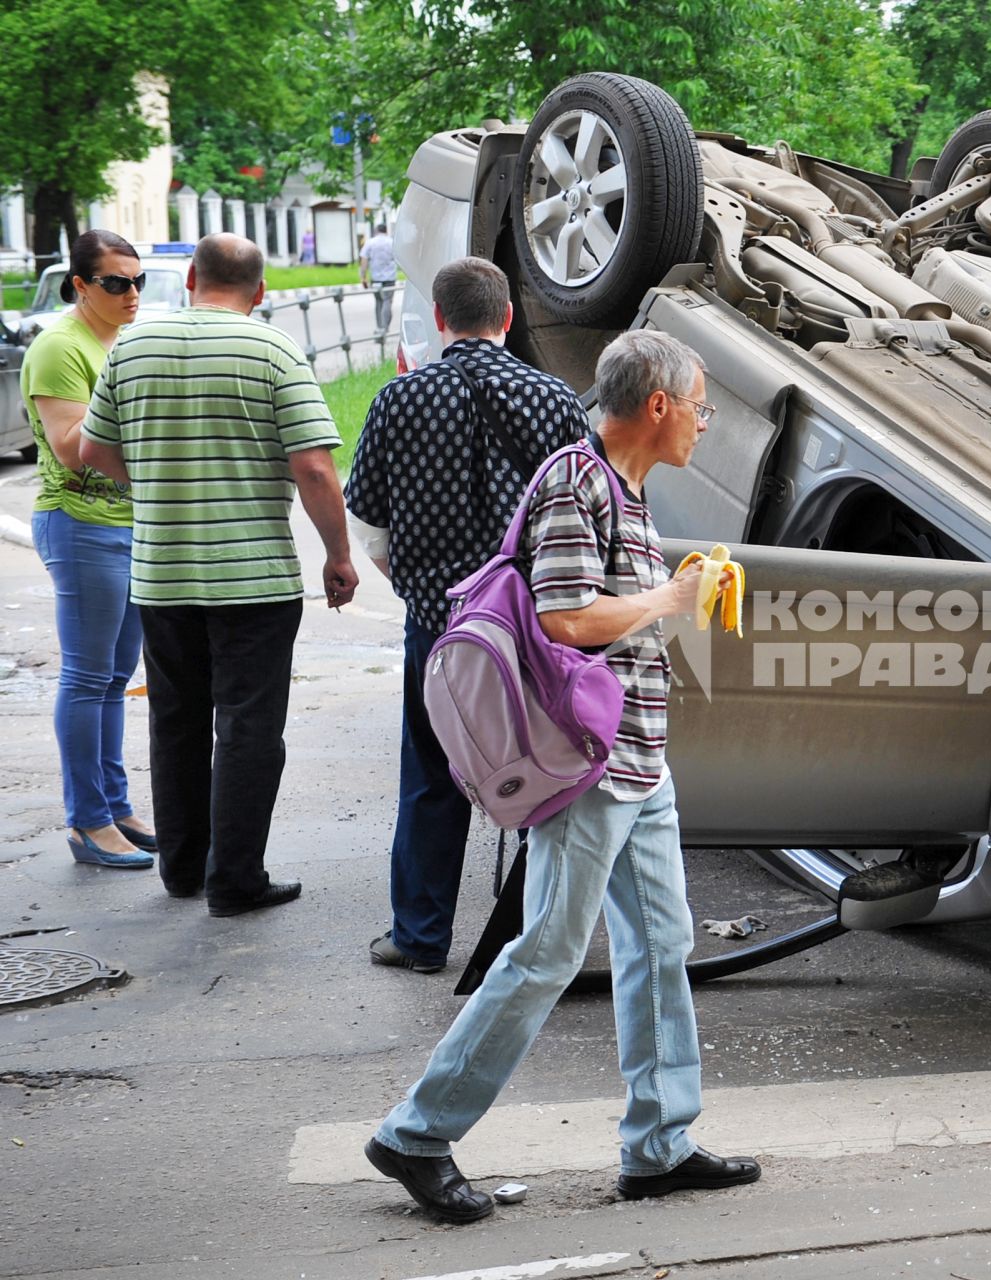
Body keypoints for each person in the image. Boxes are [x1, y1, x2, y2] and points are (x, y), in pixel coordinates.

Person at [364, 329, 757, 1223]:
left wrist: (676, 593)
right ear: (658, 405)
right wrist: (671, 600)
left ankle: (658, 1145)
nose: (704, 421)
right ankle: (417, 1133)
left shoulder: (624, 490)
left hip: (638, 762)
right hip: (588, 767)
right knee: (545, 951)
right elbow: (570, 619)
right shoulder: (575, 481)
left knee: (661, 946)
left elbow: (615, 621)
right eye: (699, 406)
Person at [78, 233, 359, 917]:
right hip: (253, 581)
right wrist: (338, 555)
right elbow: (317, 468)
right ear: (258, 291)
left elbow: (91, 451)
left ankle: (180, 868)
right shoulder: (273, 351)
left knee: (175, 723)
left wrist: (152, 481)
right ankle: (235, 880)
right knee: (248, 728)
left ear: (193, 278)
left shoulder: (133, 349)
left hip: (162, 577)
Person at [344, 256, 588, 974]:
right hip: (534, 626)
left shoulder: (400, 400)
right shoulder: (556, 401)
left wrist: (417, 582)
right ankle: (548, 937)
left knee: (430, 772)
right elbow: (579, 516)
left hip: (441, 625)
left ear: (441, 319)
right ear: (508, 317)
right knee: (549, 768)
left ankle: (420, 938)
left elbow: (371, 519)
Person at [21, 229, 157, 870]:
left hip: (130, 523)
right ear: (80, 285)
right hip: (80, 524)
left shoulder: (126, 341)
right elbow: (74, 448)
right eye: (115, 283)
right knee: (84, 677)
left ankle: (115, 807)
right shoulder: (59, 348)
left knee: (114, 679)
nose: (131, 293)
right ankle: (87, 822)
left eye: (138, 281)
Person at [360, 222, 398, 333]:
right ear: (386, 231)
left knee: (378, 302)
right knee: (387, 301)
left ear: (376, 231)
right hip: (390, 278)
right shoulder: (392, 242)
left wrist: (363, 277)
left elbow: (364, 259)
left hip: (375, 278)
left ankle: (379, 327)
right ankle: (385, 328)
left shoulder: (370, 243)